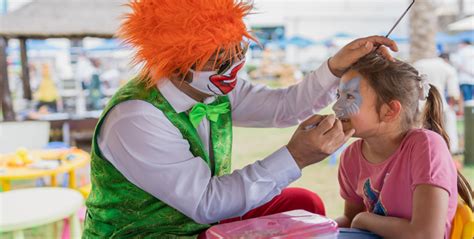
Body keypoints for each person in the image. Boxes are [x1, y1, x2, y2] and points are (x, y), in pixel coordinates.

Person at [83, 1, 398, 238]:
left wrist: (335, 66)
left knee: (303, 204)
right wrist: (296, 156)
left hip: (202, 221)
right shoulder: (136, 119)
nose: (235, 65)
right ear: (176, 61)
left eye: (239, 51)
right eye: (221, 59)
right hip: (144, 234)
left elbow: (283, 107)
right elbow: (207, 202)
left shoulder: (206, 85)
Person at [334, 53, 473, 238]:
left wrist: (364, 219)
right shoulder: (351, 156)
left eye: (349, 97)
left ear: (389, 111)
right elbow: (350, 222)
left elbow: (426, 235)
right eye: (338, 95)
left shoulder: (426, 147)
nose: (336, 106)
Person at [413, 53, 462, 153]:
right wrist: (452, 107)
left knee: (418, 129)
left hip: (417, 103)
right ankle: (450, 150)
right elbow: (453, 93)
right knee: (449, 123)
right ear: (447, 60)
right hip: (440, 104)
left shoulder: (419, 63)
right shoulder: (448, 68)